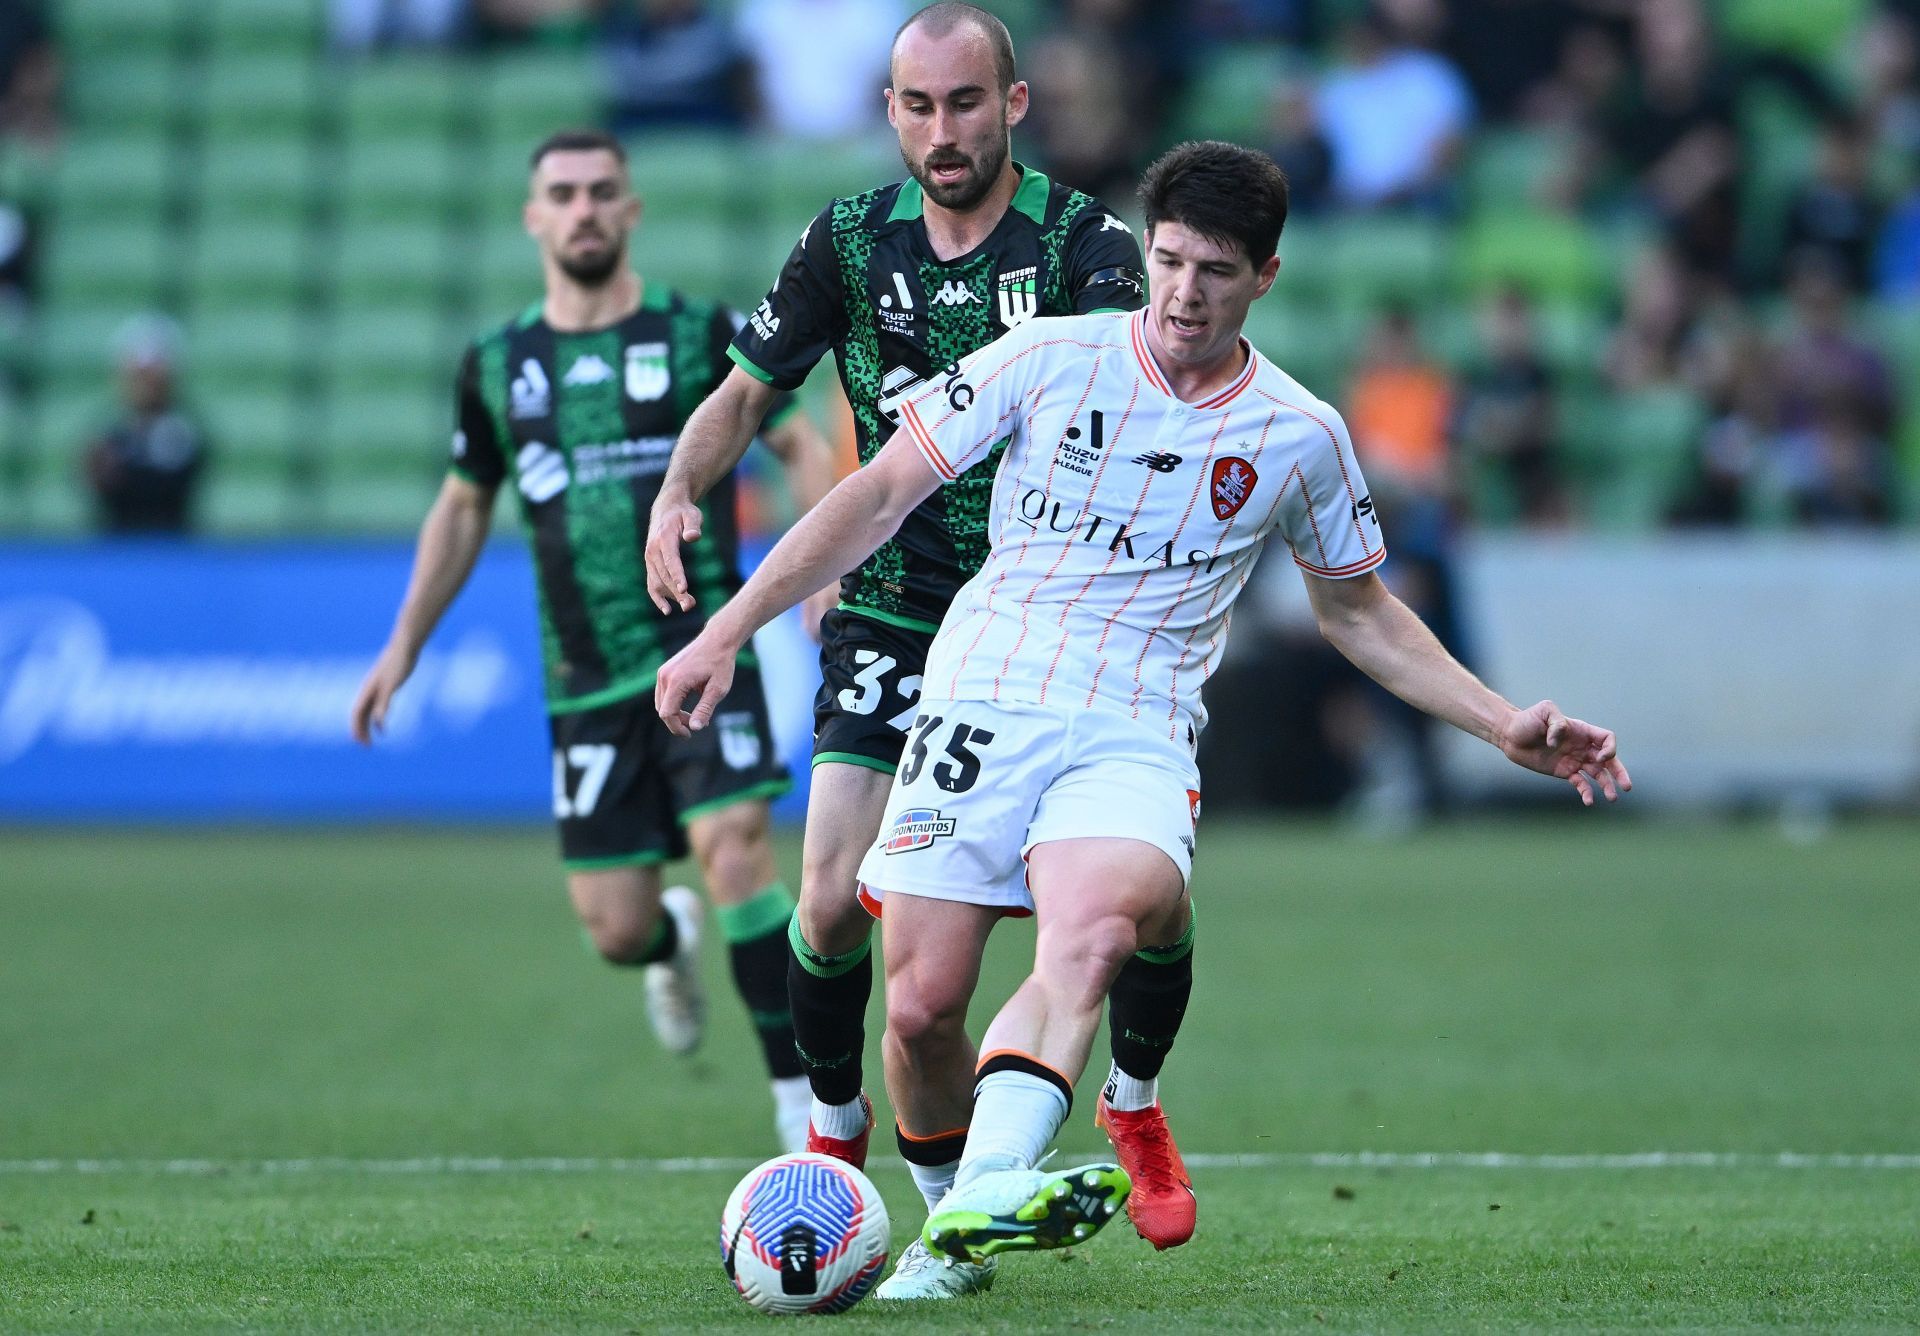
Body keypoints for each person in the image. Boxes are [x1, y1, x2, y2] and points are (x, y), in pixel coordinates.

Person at [656, 139, 1630, 1276]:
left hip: (1135, 722)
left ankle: (978, 1204)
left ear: (1264, 275)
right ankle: (958, 1215)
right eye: (1167, 260)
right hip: (984, 691)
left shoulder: (1297, 433)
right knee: (919, 1008)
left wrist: (1499, 720)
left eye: (1215, 270)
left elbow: (1359, 614)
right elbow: (876, 495)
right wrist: (727, 630)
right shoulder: (1047, 358)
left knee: (1090, 935)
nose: (1183, 292)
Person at [643, 3, 1191, 1301]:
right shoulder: (847, 239)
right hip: (888, 605)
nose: (940, 132)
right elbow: (743, 395)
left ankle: (1012, 1171)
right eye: (916, 106)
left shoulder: (1081, 246)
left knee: (1061, 927)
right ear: (890, 113)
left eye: (964, 103)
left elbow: (1139, 397)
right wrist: (679, 492)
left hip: (1042, 619)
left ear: (1014, 104)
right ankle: (840, 1152)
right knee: (828, 906)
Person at [349, 130, 838, 1153]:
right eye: (562, 194)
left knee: (738, 850)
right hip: (583, 677)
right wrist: (404, 646)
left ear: (631, 210)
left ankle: (802, 1108)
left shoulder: (699, 332)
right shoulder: (496, 365)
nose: (582, 209)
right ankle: (669, 942)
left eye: (601, 192)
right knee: (616, 929)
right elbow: (461, 508)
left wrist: (824, 570)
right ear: (533, 217)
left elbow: (795, 439)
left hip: (705, 649)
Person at [82, 315, 211, 535]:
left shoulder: (184, 431)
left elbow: (170, 488)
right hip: (116, 548)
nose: (145, 386)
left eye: (152, 377)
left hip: (170, 546)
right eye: (138, 376)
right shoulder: (110, 433)